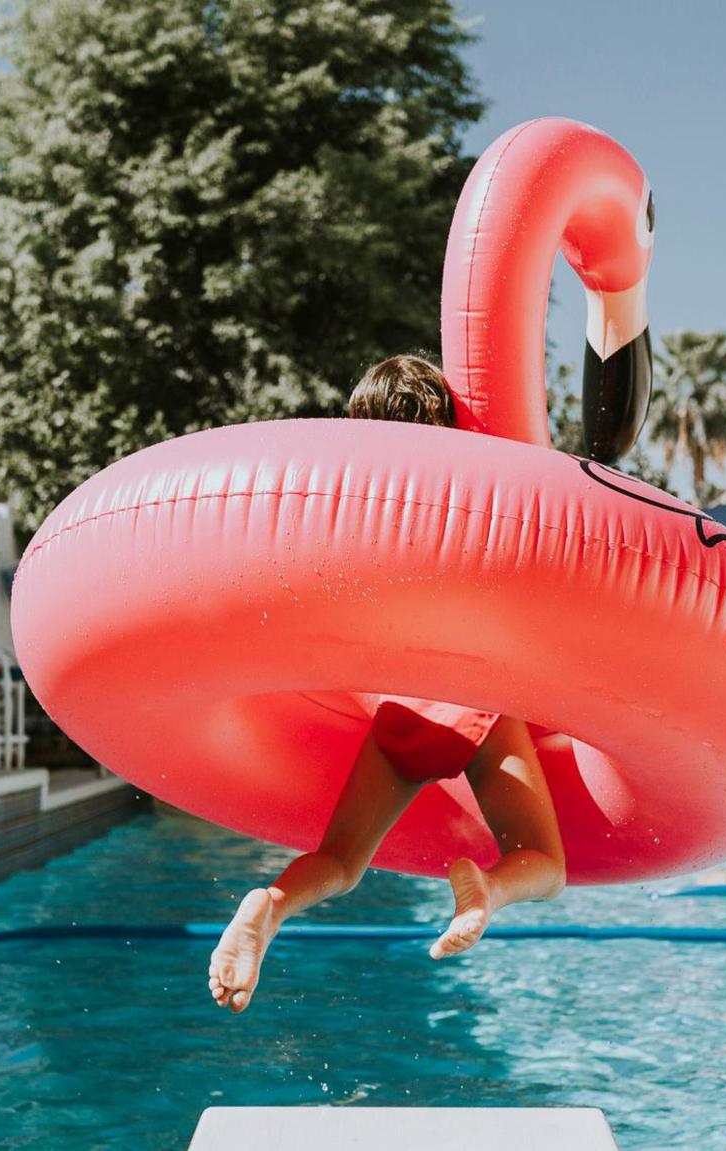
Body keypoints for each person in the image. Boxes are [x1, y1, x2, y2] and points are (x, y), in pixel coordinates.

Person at [206, 354, 569, 1014]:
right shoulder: (470, 498)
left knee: (341, 862)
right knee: (542, 857)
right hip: (476, 704)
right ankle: (488, 888)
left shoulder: (352, 518)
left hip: (401, 713)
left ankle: (271, 905)